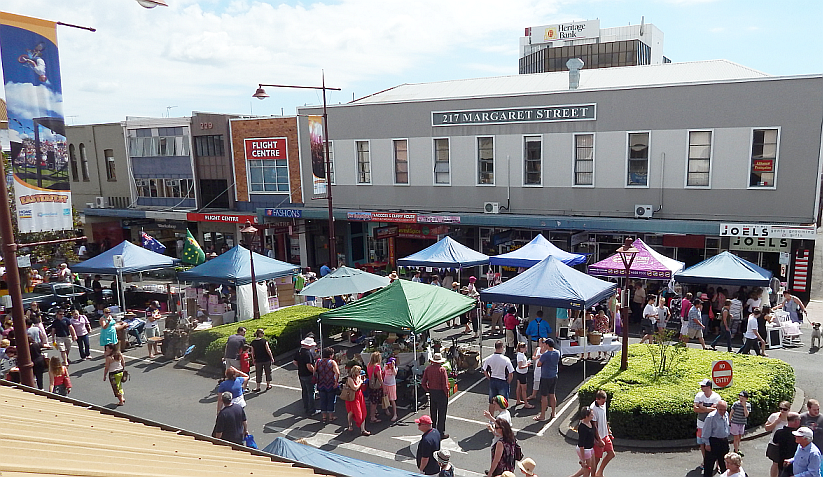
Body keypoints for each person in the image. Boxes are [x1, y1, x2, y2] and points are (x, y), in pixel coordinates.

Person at [422, 352, 450, 438]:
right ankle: (440, 433)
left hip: (432, 392)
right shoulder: (442, 370)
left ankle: (432, 431)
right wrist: (446, 393)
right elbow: (445, 385)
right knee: (442, 414)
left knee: (433, 413)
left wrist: (428, 389)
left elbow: (423, 382)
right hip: (441, 393)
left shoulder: (428, 368)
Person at [694, 379, 722, 467]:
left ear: (709, 387)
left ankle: (717, 463)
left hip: (712, 424)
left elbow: (715, 410)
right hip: (701, 423)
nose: (701, 388)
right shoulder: (699, 395)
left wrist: (702, 407)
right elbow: (695, 409)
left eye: (703, 386)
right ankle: (705, 460)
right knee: (702, 443)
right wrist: (707, 409)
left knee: (714, 443)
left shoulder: (716, 397)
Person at [482, 341, 515, 413]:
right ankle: (502, 417)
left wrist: (489, 378)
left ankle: (491, 417)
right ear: (502, 347)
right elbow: (511, 373)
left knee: (492, 401)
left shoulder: (489, 358)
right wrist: (508, 381)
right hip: (503, 382)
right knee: (503, 403)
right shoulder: (506, 359)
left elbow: (485, 370)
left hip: (493, 381)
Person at [702, 400, 730, 477]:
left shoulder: (726, 414)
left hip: (724, 441)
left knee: (725, 463)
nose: (723, 412)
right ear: (717, 408)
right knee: (709, 464)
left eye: (724, 410)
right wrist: (707, 444)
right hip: (714, 442)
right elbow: (705, 431)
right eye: (721, 410)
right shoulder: (711, 417)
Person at [535, 338, 560, 421]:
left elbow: (538, 364)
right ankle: (553, 412)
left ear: (547, 345)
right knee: (552, 394)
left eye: (545, 344)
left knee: (544, 396)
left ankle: (542, 415)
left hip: (545, 377)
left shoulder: (545, 355)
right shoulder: (557, 352)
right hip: (554, 376)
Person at [590, 390, 615, 477]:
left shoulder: (603, 405)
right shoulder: (593, 408)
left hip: (605, 435)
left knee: (611, 454)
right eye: (602, 401)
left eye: (604, 401)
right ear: (597, 399)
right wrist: (599, 440)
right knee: (596, 460)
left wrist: (608, 430)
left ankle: (599, 472)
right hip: (599, 437)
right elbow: (594, 426)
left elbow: (604, 418)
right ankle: (593, 475)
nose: (603, 403)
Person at [766, 401, 792, 477]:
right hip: (775, 444)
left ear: (789, 410)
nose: (782, 411)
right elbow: (767, 428)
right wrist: (775, 422)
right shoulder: (774, 416)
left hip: (787, 445)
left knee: (785, 463)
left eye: (785, 409)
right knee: (776, 463)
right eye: (781, 408)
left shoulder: (791, 418)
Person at [315, 347, 340, 424]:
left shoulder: (318, 361)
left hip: (321, 384)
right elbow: (337, 373)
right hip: (330, 384)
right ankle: (331, 417)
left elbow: (314, 372)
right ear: (330, 355)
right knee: (331, 400)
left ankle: (324, 417)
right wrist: (336, 381)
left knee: (323, 400)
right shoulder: (332, 362)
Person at [568, 407, 596, 477]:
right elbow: (581, 444)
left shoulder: (590, 423)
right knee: (587, 470)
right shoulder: (582, 427)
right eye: (591, 415)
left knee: (591, 467)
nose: (593, 416)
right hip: (585, 450)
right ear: (586, 416)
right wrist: (583, 459)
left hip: (590, 448)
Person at [293, 336, 317, 415]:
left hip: (301, 374)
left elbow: (294, 362)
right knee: (311, 393)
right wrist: (314, 372)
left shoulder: (299, 351)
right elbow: (309, 366)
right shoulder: (308, 353)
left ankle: (306, 407)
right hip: (308, 375)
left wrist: (300, 367)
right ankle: (312, 410)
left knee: (305, 391)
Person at [345, 365, 369, 435]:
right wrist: (360, 382)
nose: (360, 372)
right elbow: (354, 388)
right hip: (352, 397)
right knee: (352, 412)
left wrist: (363, 381)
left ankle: (363, 429)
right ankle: (350, 425)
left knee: (363, 411)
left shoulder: (359, 377)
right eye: (359, 371)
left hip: (359, 395)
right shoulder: (350, 379)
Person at [729, 391, 751, 455]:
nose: (741, 399)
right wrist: (729, 420)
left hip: (742, 423)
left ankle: (736, 448)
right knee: (736, 437)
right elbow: (731, 412)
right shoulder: (736, 404)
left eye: (742, 398)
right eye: (740, 398)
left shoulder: (748, 405)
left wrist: (744, 406)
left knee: (739, 437)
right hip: (735, 422)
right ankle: (736, 451)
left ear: (746, 399)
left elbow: (746, 415)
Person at [367, 351, 385, 423]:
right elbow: (380, 378)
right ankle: (373, 417)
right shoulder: (377, 367)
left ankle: (372, 414)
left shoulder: (369, 365)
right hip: (376, 386)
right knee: (374, 402)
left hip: (371, 384)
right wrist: (383, 385)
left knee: (372, 401)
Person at [514, 342, 534, 409]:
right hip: (522, 373)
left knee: (519, 386)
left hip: (519, 372)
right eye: (525, 348)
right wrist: (527, 365)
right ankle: (526, 404)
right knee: (524, 389)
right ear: (521, 348)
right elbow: (520, 366)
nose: (526, 349)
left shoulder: (521, 354)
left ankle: (518, 400)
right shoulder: (520, 356)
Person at [526, 338, 545, 403]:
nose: (538, 344)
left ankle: (543, 397)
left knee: (543, 383)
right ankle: (533, 395)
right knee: (536, 381)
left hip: (543, 369)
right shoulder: (537, 349)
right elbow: (533, 357)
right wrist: (537, 357)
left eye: (540, 342)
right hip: (537, 368)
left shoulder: (546, 351)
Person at [383, 357, 398, 422]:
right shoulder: (386, 367)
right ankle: (386, 409)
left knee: (392, 399)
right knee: (385, 398)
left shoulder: (396, 368)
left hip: (392, 385)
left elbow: (395, 374)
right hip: (386, 384)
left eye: (391, 364)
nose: (390, 365)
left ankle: (395, 414)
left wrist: (393, 366)